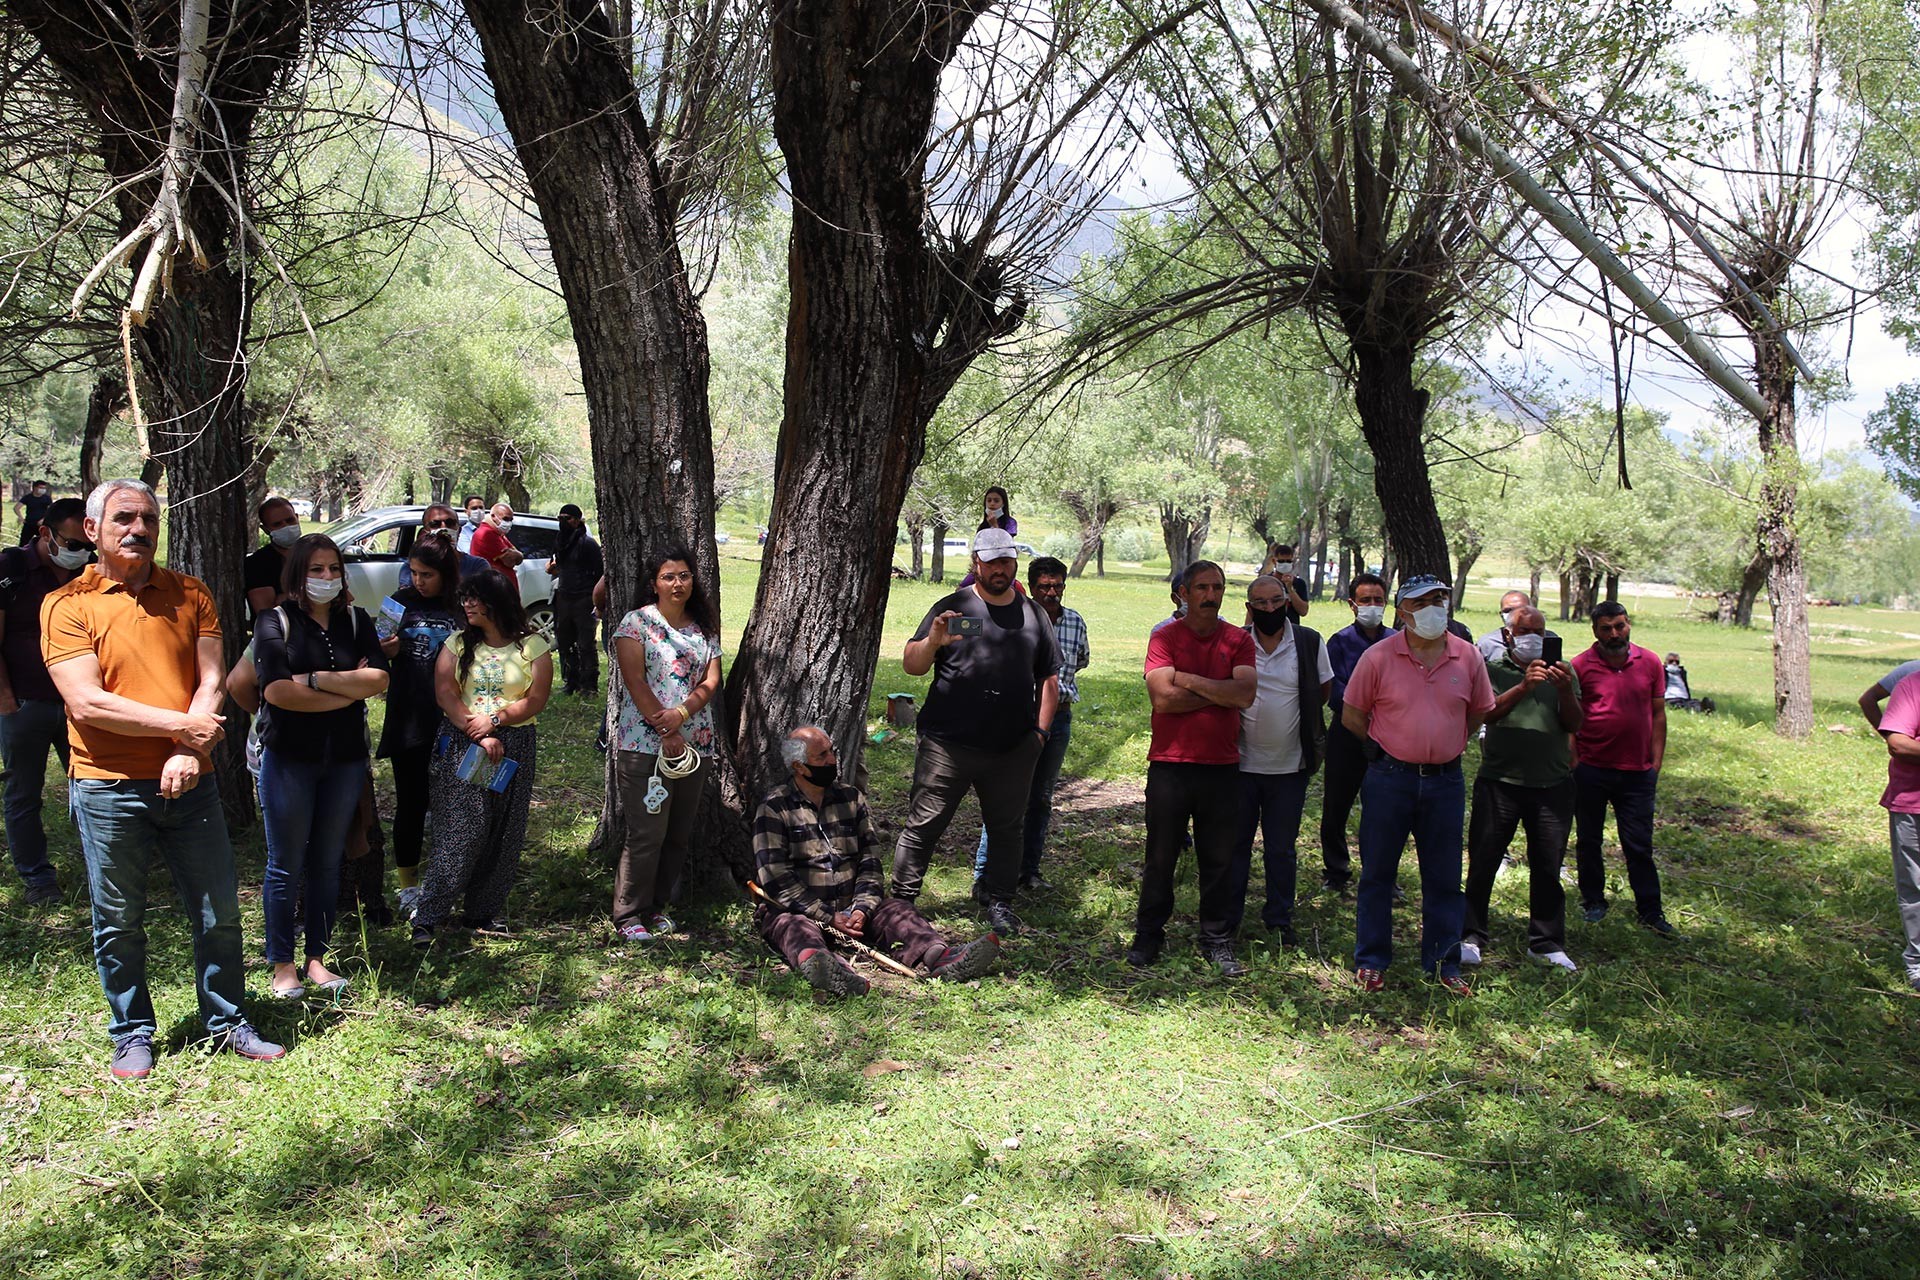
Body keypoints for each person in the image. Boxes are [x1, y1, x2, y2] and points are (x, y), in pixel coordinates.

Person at [42, 478, 284, 1078]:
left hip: (190, 783)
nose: (139, 529)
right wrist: (184, 728)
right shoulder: (67, 605)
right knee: (118, 920)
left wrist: (184, 750)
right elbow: (88, 704)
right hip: (106, 786)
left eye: (148, 518)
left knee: (218, 913)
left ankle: (227, 1021)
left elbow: (211, 678)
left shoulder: (190, 593)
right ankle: (131, 1032)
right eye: (124, 518)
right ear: (92, 530)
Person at [894, 527, 1059, 938]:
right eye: (992, 562)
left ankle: (1000, 901)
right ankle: (900, 904)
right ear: (976, 563)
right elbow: (912, 665)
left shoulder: (1033, 614)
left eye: (1007, 561)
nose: (1000, 569)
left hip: (1012, 748)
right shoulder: (955, 608)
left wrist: (1039, 735)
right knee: (924, 824)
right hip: (947, 744)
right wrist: (933, 641)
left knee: (1006, 829)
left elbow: (1050, 679)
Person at [755, 726, 1002, 995]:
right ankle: (830, 970)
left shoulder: (851, 798)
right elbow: (776, 878)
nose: (831, 760)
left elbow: (870, 862)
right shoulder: (775, 808)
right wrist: (827, 916)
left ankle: (940, 957)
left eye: (831, 751)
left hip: (854, 909)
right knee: (789, 926)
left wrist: (862, 908)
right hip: (804, 912)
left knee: (899, 910)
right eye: (821, 756)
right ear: (799, 767)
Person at [1340, 573, 1494, 996]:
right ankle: (1372, 960)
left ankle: (1444, 964)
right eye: (1423, 601)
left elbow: (1479, 712)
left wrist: (1445, 742)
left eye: (1440, 599)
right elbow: (1352, 715)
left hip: (1446, 782)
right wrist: (1382, 748)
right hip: (1390, 779)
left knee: (1444, 877)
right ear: (1403, 610)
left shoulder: (1467, 656)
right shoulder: (1378, 656)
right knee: (1378, 873)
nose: (1434, 608)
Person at [252, 534, 390, 1000]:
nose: (327, 578)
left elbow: (379, 679)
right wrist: (346, 691)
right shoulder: (273, 621)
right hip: (289, 758)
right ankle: (282, 965)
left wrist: (313, 680)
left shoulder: (357, 619)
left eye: (334, 569)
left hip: (346, 759)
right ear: (297, 575)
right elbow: (275, 692)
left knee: (328, 861)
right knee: (285, 865)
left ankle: (317, 959)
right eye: (316, 570)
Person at [1130, 559, 1256, 975]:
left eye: (1217, 587)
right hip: (1170, 765)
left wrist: (1189, 679)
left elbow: (1246, 695)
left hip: (1222, 766)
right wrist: (1221, 692)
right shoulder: (1164, 637)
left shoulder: (1238, 639)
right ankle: (1149, 934)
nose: (1210, 596)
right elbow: (1163, 700)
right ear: (1183, 593)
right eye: (1201, 587)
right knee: (1161, 857)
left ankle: (1216, 938)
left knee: (1218, 858)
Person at [414, 570, 553, 945]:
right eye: (465, 597)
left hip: (515, 742)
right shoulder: (458, 643)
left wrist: (495, 720)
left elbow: (536, 698)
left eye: (476, 597)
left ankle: (482, 912)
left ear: (499, 602)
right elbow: (445, 691)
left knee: (504, 830)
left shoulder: (533, 647)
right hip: (463, 740)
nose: (467, 604)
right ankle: (428, 916)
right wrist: (477, 731)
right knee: (462, 828)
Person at [1462, 605, 1583, 972]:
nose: (1534, 638)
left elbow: (1574, 722)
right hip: (1500, 781)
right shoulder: (1494, 669)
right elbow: (1486, 713)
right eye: (1526, 630)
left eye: (1541, 631)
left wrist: (1563, 691)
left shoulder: (1565, 672)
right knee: (1483, 862)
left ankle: (1546, 942)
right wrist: (1524, 686)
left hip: (1552, 783)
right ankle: (1471, 935)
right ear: (1509, 634)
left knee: (1548, 865)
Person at [610, 546, 721, 943]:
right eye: (669, 576)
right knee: (647, 831)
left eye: (685, 576)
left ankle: (656, 908)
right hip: (644, 744)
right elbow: (635, 681)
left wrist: (683, 716)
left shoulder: (703, 629)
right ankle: (628, 913)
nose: (678, 583)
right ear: (653, 583)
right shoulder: (635, 623)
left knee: (678, 832)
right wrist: (667, 728)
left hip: (695, 745)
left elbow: (710, 682)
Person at [970, 555, 1090, 895]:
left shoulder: (1075, 622)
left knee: (1040, 798)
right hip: (1019, 716)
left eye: (1057, 586)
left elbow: (1080, 660)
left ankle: (1029, 872)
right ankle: (984, 875)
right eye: (1044, 587)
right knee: (1007, 797)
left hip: (1060, 717)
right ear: (1032, 588)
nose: (1052, 593)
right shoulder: (1016, 619)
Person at [1226, 575, 1331, 947]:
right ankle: (1228, 917)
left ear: (1287, 601)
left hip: (1290, 767)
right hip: (1239, 766)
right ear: (1249, 606)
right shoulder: (1235, 641)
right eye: (1260, 602)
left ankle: (1279, 918)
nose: (1269, 608)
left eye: (1275, 601)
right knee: (1235, 845)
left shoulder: (1308, 641)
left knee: (1281, 848)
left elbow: (1321, 691)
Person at [1570, 603, 1678, 937]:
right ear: (1594, 631)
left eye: (1620, 626)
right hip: (1591, 768)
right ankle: (1593, 902)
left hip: (1637, 771)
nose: (1614, 634)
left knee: (1639, 845)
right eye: (1606, 628)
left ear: (1629, 624)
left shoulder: (1649, 662)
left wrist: (1655, 763)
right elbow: (1569, 719)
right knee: (1589, 840)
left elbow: (1658, 714)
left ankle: (1650, 910)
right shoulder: (1579, 665)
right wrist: (1575, 762)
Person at [0, 497, 89, 903]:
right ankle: (38, 878)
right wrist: (7, 701)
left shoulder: (90, 572)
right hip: (25, 703)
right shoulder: (10, 569)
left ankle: (102, 867)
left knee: (93, 788)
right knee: (23, 793)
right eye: (71, 544)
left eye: (86, 546)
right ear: (44, 534)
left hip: (82, 704)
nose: (79, 554)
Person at [378, 534, 466, 916]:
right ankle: (407, 885)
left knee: (452, 806)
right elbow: (372, 653)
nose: (418, 581)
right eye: (413, 572)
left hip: (455, 722)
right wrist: (385, 652)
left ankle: (446, 882)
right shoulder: (396, 602)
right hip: (408, 719)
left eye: (426, 574)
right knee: (410, 805)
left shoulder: (463, 606)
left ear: (446, 574)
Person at [1319, 572, 1392, 893]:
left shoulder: (1397, 642)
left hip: (1389, 737)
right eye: (1365, 600)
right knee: (1336, 806)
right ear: (1352, 604)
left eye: (1378, 600)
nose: (1372, 606)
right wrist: (1368, 706)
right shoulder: (1339, 643)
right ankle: (1336, 872)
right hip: (1347, 736)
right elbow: (1336, 692)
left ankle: (1382, 876)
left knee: (1385, 811)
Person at [1873, 668, 1920, 991]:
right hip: (1914, 804)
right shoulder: (1913, 685)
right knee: (1915, 887)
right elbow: (1898, 744)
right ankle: (1918, 962)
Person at [546, 503, 605, 696]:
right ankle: (571, 682)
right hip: (564, 596)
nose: (564, 523)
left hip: (584, 598)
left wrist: (596, 600)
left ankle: (589, 686)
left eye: (568, 518)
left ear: (578, 520)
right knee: (565, 641)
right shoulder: (559, 542)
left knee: (585, 643)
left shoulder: (588, 544)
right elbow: (559, 566)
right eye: (561, 519)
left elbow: (600, 573)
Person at [397, 503, 487, 589]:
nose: (444, 528)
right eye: (435, 524)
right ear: (425, 533)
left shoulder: (476, 566)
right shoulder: (412, 567)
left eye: (450, 523)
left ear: (459, 531)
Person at [242, 496, 302, 621]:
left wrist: (285, 597)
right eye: (277, 524)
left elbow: (342, 599)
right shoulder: (257, 564)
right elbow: (268, 612)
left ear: (297, 518)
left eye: (290, 520)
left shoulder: (314, 554)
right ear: (265, 529)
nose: (286, 527)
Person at [468, 503, 525, 592]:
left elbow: (518, 558)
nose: (508, 522)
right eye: (505, 518)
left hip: (502, 588)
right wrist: (515, 554)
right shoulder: (486, 533)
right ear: (493, 516)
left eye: (511, 520)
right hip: (493, 588)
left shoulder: (498, 533)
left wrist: (517, 554)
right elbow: (509, 561)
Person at [1255, 542, 1312, 617]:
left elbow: (1303, 612)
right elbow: (1254, 608)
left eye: (1288, 561)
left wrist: (1290, 589)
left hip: (1291, 626)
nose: (1285, 564)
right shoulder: (1265, 582)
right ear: (1274, 561)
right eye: (1281, 561)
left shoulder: (1299, 583)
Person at [1476, 589, 1534, 662]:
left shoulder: (1549, 639)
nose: (1514, 614)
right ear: (1501, 614)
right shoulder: (1486, 644)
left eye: (1520, 609)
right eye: (1508, 611)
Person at [16, 478, 52, 545]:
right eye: (41, 487)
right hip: (29, 524)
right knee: (24, 543)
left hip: (42, 525)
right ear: (35, 487)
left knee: (45, 543)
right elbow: (16, 508)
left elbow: (51, 510)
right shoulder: (28, 497)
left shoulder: (46, 498)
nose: (43, 490)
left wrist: (43, 519)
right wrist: (21, 518)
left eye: (44, 488)